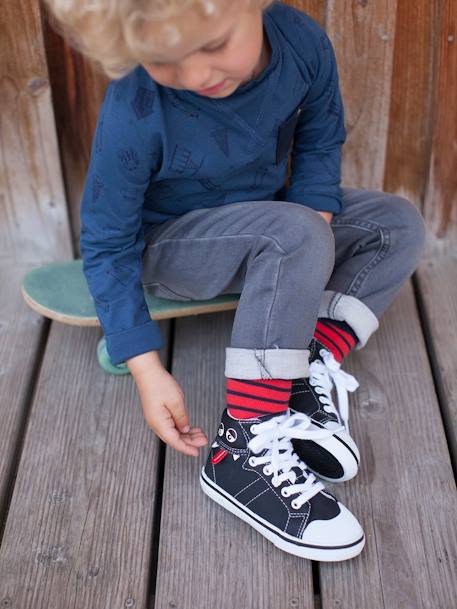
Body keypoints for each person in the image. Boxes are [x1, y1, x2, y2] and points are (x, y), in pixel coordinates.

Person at [44, 0, 426, 561]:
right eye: (165, 61)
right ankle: (242, 449)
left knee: (397, 224)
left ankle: (301, 362)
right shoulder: (136, 105)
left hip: (272, 220)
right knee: (291, 231)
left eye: (214, 45)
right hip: (172, 245)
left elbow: (320, 141)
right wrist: (146, 369)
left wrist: (313, 236)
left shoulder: (301, 43)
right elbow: (106, 242)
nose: (196, 77)